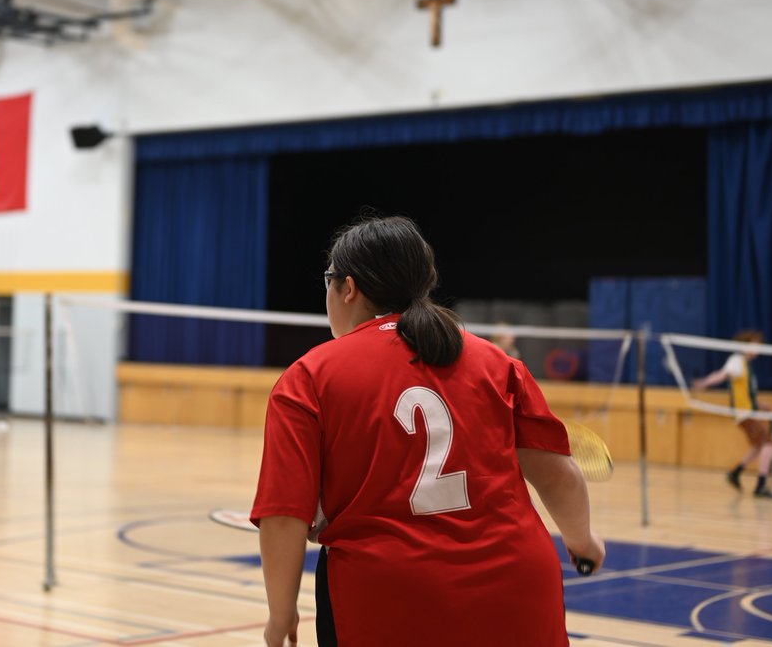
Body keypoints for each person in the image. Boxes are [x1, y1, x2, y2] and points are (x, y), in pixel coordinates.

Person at [250, 215, 604, 647]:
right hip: (516, 591)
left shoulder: (309, 377)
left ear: (347, 288)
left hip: (387, 601)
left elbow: (284, 515)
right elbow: (557, 475)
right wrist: (584, 542)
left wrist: (281, 612)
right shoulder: (496, 363)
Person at [692, 330, 771, 497]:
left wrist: (762, 405)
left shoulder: (747, 366)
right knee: (768, 444)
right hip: (743, 414)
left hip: (749, 411)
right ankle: (761, 486)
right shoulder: (736, 360)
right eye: (754, 345)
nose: (757, 349)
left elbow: (746, 393)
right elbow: (722, 375)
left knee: (758, 445)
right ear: (744, 345)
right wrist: (704, 382)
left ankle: (735, 473)